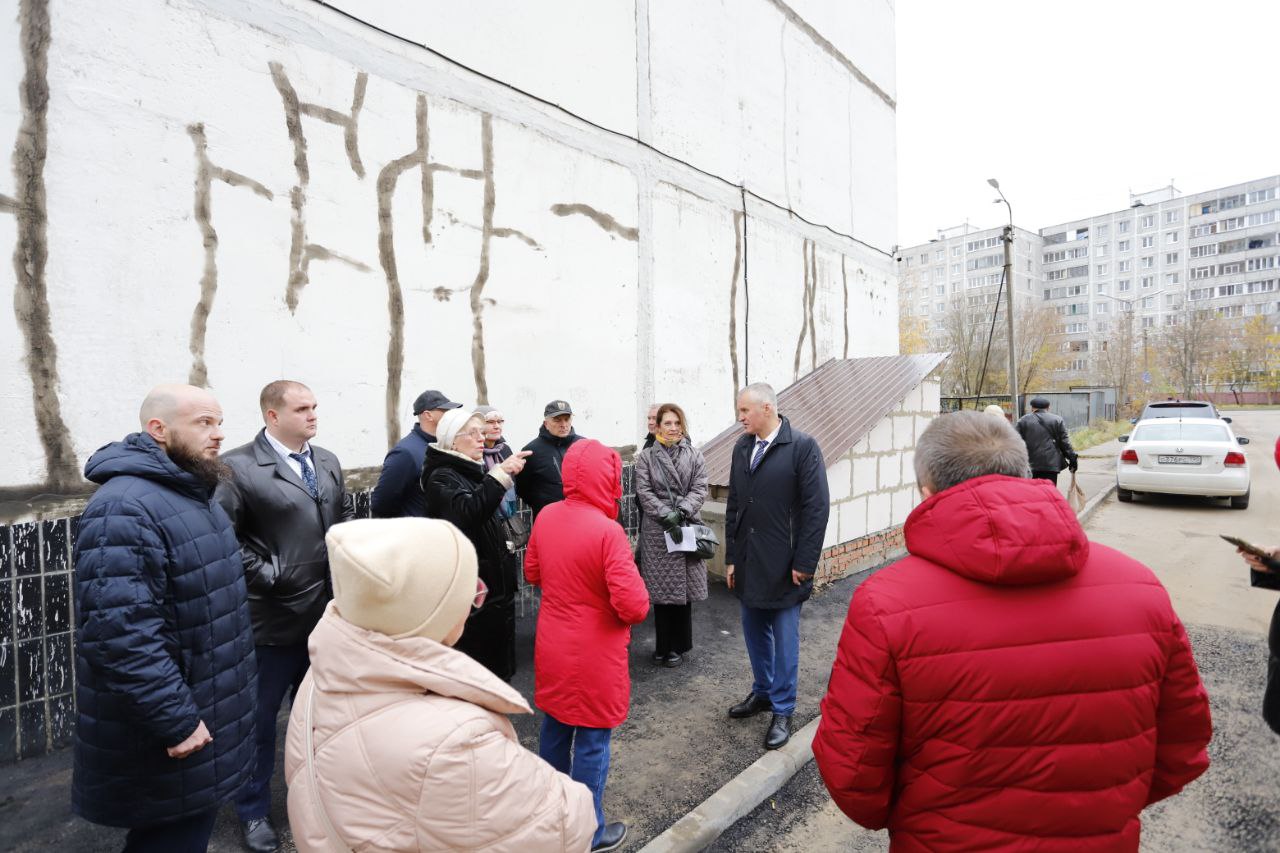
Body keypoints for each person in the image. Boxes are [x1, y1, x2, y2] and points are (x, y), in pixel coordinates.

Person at [813, 410, 1213, 850]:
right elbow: (1183, 747)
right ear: (1024, 472)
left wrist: (919, 818)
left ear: (926, 493)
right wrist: (1102, 808)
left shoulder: (884, 604)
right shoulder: (1141, 588)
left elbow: (853, 774)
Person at [284, 517, 597, 852]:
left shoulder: (322, 676)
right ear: (427, 612)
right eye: (467, 594)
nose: (471, 604)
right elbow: (565, 824)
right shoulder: (453, 741)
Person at [72, 384, 256, 853]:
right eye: (203, 423)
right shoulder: (124, 507)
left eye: (219, 422)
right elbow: (120, 635)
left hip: (207, 709)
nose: (218, 434)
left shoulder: (193, 492)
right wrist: (176, 721)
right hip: (172, 726)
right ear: (159, 429)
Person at [217, 380, 355, 853]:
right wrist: (272, 576)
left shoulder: (328, 461)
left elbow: (338, 529)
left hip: (326, 618)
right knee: (257, 724)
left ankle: (320, 797)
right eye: (302, 409)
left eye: (315, 406)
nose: (313, 415)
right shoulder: (235, 467)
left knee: (323, 719)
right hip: (268, 625)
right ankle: (253, 811)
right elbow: (223, 541)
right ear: (272, 416)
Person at [525, 439, 650, 853]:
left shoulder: (546, 516)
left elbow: (532, 572)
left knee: (555, 730)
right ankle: (589, 832)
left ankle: (551, 818)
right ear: (609, 478)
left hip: (554, 644)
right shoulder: (607, 531)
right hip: (596, 653)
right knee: (593, 741)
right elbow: (633, 606)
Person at [724, 383, 830, 750]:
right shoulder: (742, 448)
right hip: (751, 561)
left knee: (785, 641)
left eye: (744, 411)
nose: (740, 419)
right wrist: (732, 557)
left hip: (787, 566)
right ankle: (763, 693)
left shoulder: (801, 447)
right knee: (755, 633)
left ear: (767, 408)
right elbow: (735, 505)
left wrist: (805, 562)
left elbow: (817, 509)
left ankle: (783, 709)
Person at [422, 408, 530, 681]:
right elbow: (468, 512)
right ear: (452, 441)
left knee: (497, 673)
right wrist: (500, 473)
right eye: (473, 433)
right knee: (481, 675)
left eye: (482, 432)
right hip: (476, 597)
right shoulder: (442, 475)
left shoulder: (467, 470)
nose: (481, 438)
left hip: (493, 592)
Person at [634, 403, 710, 667]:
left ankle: (678, 646)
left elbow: (701, 488)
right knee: (662, 592)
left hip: (685, 525)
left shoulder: (695, 455)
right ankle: (663, 645)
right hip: (658, 529)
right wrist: (665, 513)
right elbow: (644, 491)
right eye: (668, 423)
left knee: (683, 593)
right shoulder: (645, 457)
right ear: (658, 426)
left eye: (677, 423)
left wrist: (682, 510)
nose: (673, 428)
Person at [370, 389, 462, 517]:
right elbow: (381, 504)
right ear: (428, 415)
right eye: (445, 411)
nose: (451, 415)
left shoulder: (444, 446)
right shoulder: (406, 453)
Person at [515, 399, 583, 518]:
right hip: (548, 519)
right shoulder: (531, 451)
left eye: (567, 419)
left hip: (582, 517)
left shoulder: (584, 445)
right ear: (546, 423)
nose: (563, 424)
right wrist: (542, 504)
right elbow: (522, 488)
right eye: (557, 420)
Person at [1015, 395, 1077, 484]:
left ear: (1032, 408)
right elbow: (1064, 442)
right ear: (1048, 407)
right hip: (1051, 465)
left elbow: (1016, 442)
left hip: (1030, 465)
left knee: (1032, 493)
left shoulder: (1023, 420)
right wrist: (1072, 458)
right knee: (1049, 491)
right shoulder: (1057, 420)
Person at [478, 405, 519, 517]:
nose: (496, 426)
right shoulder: (474, 452)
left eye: (500, 422)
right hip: (484, 515)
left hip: (507, 517)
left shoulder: (505, 449)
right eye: (490, 422)